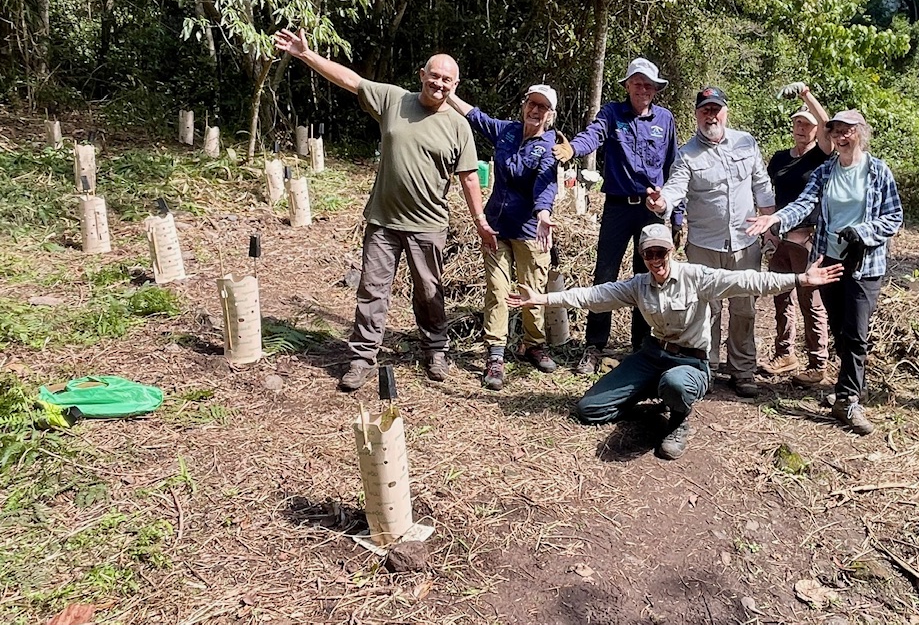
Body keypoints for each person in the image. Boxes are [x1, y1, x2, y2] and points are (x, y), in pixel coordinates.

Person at [508, 224, 843, 459]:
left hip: (690, 362)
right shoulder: (638, 285)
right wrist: (541, 299)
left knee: (677, 384)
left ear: (671, 251)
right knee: (589, 409)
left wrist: (799, 278)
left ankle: (678, 419)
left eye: (661, 252)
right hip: (652, 356)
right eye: (649, 254)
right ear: (643, 257)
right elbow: (595, 295)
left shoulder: (695, 277)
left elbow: (746, 279)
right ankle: (654, 401)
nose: (656, 260)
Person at [272, 28, 489, 391]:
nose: (439, 83)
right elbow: (351, 80)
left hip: (428, 224)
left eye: (446, 80)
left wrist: (480, 220)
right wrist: (306, 55)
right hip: (384, 220)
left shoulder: (459, 127)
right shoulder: (394, 99)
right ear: (422, 75)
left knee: (429, 291)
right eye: (434, 76)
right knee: (372, 290)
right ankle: (361, 358)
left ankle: (436, 349)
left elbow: (469, 178)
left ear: (455, 85)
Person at [747, 108, 903, 435]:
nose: (841, 137)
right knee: (840, 329)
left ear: (860, 133)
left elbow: (894, 217)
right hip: (828, 260)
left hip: (865, 263)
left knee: (857, 331)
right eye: (836, 132)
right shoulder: (826, 171)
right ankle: (845, 389)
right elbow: (805, 203)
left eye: (847, 131)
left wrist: (863, 232)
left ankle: (848, 400)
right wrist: (776, 220)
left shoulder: (877, 172)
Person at [552, 58, 679, 375]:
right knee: (604, 275)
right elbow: (592, 135)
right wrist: (573, 151)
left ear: (656, 89)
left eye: (649, 84)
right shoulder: (612, 113)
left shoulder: (665, 119)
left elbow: (674, 169)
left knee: (648, 278)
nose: (643, 89)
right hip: (618, 208)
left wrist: (675, 216)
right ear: (627, 86)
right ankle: (594, 346)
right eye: (637, 83)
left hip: (651, 211)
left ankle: (641, 347)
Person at [645, 86, 774, 397]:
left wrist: (770, 225)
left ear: (725, 112)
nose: (710, 115)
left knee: (744, 309)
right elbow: (674, 189)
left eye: (715, 109)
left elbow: (762, 185)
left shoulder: (746, 142)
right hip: (705, 244)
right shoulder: (687, 154)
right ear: (696, 115)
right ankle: (709, 368)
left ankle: (742, 371)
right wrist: (661, 204)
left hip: (745, 241)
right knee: (708, 309)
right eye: (704, 110)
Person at [447, 84, 559, 391]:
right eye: (532, 105)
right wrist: (448, 92)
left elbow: (545, 185)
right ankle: (495, 354)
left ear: (550, 115)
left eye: (543, 108)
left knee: (531, 290)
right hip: (496, 224)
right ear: (525, 105)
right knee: (497, 291)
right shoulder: (507, 132)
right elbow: (475, 116)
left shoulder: (550, 148)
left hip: (529, 230)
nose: (536, 111)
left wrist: (544, 213)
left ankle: (533, 344)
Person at [762, 85, 832, 385]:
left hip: (809, 238)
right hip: (781, 238)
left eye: (808, 124)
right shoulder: (779, 158)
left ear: (817, 131)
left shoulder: (821, 156)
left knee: (811, 301)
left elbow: (829, 125)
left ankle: (818, 362)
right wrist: (768, 233)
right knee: (781, 297)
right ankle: (785, 353)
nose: (802, 129)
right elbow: (766, 195)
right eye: (798, 123)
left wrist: (806, 96)